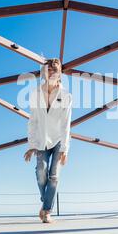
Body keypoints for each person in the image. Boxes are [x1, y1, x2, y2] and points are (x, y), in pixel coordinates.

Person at [24, 58, 72, 223]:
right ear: (44, 72)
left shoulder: (66, 96)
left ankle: (46, 210)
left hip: (58, 140)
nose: (52, 71)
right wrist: (31, 145)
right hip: (41, 139)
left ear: (60, 73)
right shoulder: (35, 94)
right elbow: (33, 121)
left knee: (54, 176)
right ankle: (46, 203)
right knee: (41, 174)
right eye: (49, 69)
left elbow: (66, 124)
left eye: (55, 69)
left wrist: (65, 149)